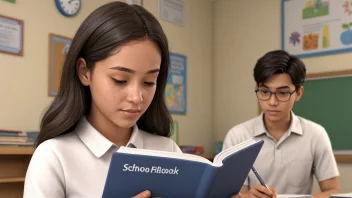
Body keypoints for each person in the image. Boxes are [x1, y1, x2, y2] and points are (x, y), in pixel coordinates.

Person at [23, 2, 181, 198]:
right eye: (120, 80)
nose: (136, 97)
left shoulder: (168, 151)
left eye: (149, 82)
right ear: (84, 72)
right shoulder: (54, 157)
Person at [223, 50, 340, 198]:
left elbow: (333, 191)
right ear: (256, 89)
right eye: (265, 92)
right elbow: (232, 194)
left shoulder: (316, 134)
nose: (272, 102)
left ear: (298, 93)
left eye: (283, 93)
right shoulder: (238, 136)